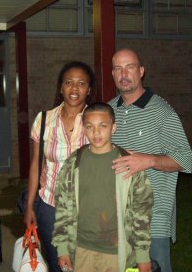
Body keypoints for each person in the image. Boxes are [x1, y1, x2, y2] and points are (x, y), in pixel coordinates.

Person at [108, 49, 192, 272]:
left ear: (141, 71)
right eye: (118, 68)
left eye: (130, 67)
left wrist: (149, 160)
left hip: (154, 219)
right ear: (113, 74)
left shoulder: (161, 111)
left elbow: (185, 158)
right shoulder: (108, 112)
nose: (124, 74)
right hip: (118, 218)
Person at [52, 102, 153, 272]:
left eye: (103, 126)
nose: (96, 132)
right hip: (81, 249)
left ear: (114, 127)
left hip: (116, 251)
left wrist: (142, 256)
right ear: (84, 129)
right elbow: (62, 206)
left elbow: (141, 212)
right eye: (90, 127)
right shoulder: (73, 163)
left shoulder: (129, 163)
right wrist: (62, 249)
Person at [23, 61, 96, 272]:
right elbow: (35, 165)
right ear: (61, 87)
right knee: (58, 265)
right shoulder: (44, 120)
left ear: (89, 90)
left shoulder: (98, 120)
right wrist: (29, 206)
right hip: (50, 208)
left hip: (89, 209)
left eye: (81, 83)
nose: (75, 88)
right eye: (69, 82)